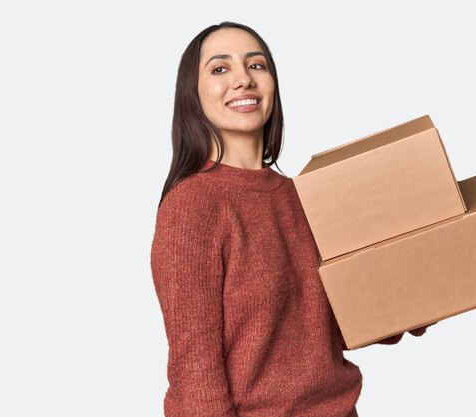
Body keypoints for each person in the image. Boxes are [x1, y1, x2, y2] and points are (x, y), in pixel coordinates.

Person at [150, 21, 436, 417]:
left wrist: (426, 288)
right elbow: (194, 370)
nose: (243, 80)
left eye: (257, 65)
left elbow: (332, 327)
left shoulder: (303, 198)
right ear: (193, 96)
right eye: (220, 69)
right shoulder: (193, 206)